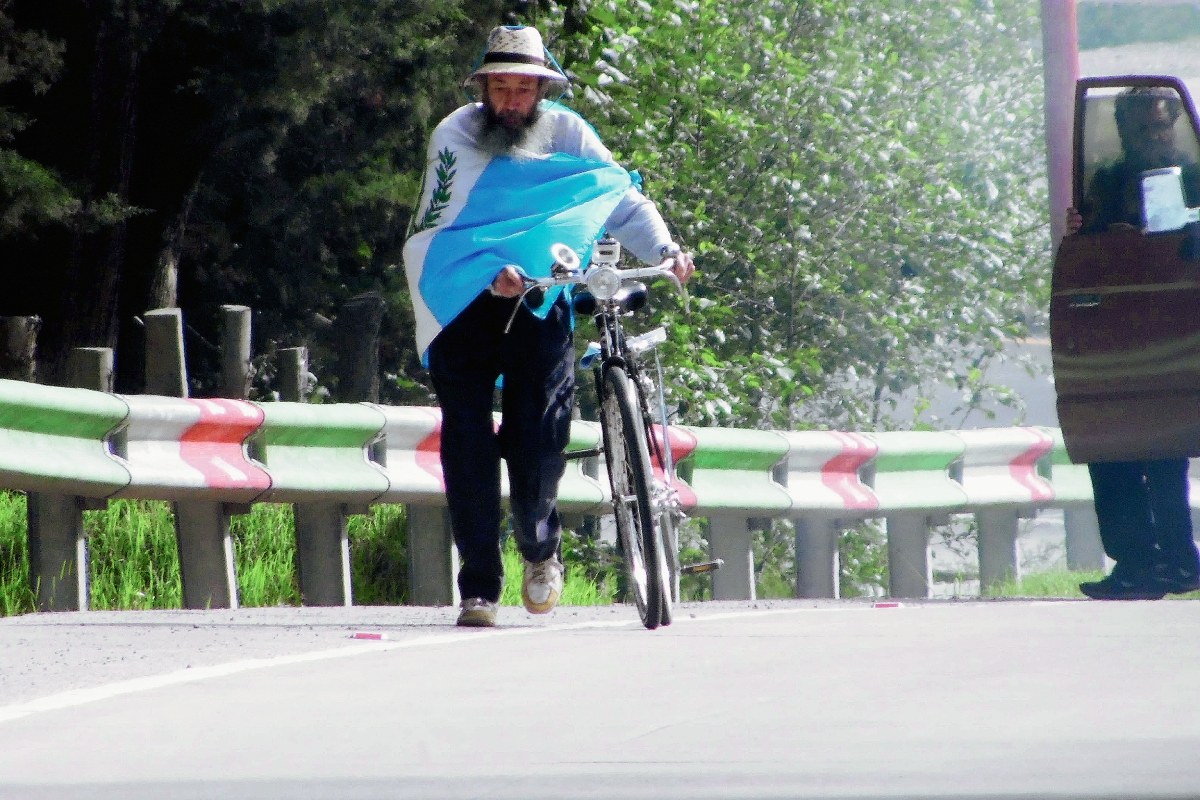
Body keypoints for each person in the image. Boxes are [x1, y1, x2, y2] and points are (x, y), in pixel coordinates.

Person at [402, 25, 694, 627]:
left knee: (539, 437)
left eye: (522, 88)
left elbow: (614, 195)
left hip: (542, 296)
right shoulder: (454, 135)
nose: (509, 101)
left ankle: (539, 547)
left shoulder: (568, 132)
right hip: (464, 299)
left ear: (543, 89)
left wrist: (666, 247)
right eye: (499, 87)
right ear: (482, 87)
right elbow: (441, 228)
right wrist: (488, 271)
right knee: (468, 441)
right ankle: (478, 586)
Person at [1064, 86, 1200, 600]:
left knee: (1166, 455)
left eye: (1161, 126)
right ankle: (1136, 564)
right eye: (1142, 129)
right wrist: (1092, 231)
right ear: (1124, 133)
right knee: (1113, 450)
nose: (1154, 137)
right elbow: (1088, 258)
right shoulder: (1109, 180)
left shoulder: (1193, 177)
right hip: (1122, 337)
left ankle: (1178, 562)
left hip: (1176, 333)